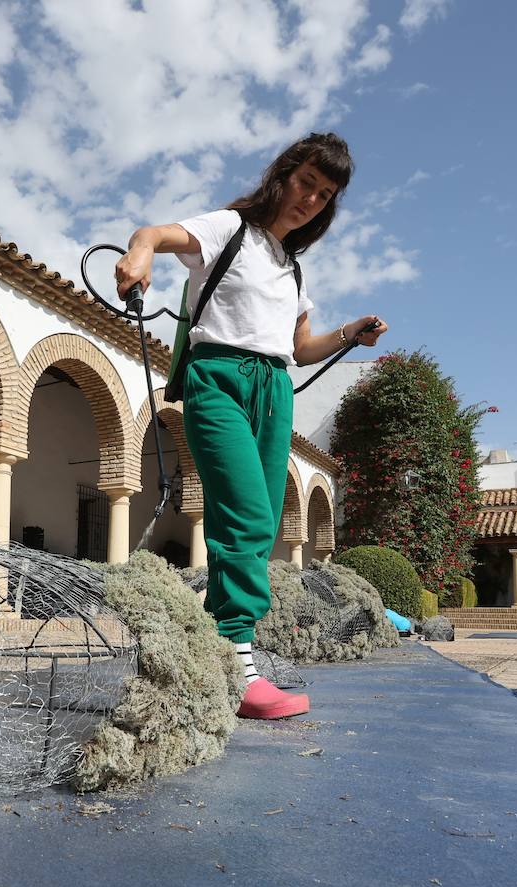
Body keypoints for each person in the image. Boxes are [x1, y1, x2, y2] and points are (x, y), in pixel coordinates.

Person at [115, 132, 387, 720]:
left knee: (259, 527)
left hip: (275, 389)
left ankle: (223, 651)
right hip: (218, 378)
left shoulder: (292, 269)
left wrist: (350, 333)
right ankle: (238, 664)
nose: (311, 200)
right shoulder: (229, 229)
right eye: (307, 183)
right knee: (245, 512)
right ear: (285, 175)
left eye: (325, 195)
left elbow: (302, 346)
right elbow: (155, 235)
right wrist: (138, 255)